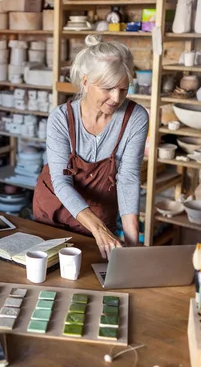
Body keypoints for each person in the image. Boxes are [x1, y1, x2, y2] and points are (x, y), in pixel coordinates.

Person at [33, 35, 149, 259]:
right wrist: (98, 229)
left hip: (100, 212)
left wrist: (133, 244)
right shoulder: (61, 118)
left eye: (124, 89)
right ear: (85, 82)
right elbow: (62, 181)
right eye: (108, 88)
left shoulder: (135, 117)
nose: (116, 98)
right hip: (53, 210)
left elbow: (128, 179)